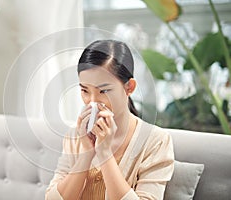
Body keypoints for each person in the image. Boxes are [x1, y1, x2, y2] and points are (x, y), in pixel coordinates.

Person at [45, 39, 174, 200]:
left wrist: (105, 153)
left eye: (103, 91)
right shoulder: (75, 136)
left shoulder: (156, 141)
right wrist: (87, 154)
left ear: (129, 87)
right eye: (85, 90)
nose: (92, 102)